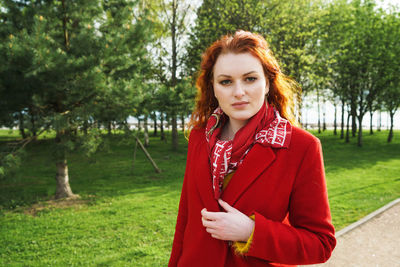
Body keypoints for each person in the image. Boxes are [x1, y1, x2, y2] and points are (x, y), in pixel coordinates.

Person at [168, 30, 336, 267]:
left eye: (250, 79)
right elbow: (185, 220)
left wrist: (252, 232)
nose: (238, 92)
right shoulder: (199, 138)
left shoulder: (302, 147)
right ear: (214, 89)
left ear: (267, 83)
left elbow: (321, 244)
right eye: (226, 81)